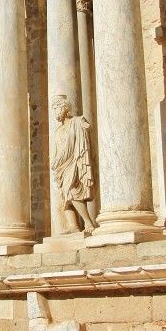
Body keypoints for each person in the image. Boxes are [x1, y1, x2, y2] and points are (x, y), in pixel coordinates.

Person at [50, 95, 97, 233]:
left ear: (64, 108)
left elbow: (86, 131)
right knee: (65, 195)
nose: (55, 112)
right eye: (53, 110)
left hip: (74, 162)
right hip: (62, 167)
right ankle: (73, 226)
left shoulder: (76, 122)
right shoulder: (58, 131)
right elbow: (57, 150)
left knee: (73, 192)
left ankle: (88, 223)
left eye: (57, 108)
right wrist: (55, 162)